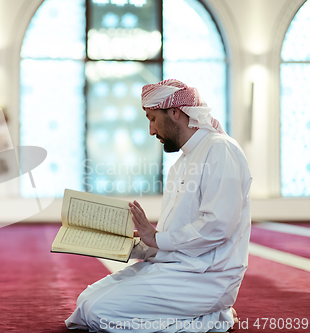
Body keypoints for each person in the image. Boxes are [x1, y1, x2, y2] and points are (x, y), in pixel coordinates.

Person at [65, 79, 252, 332]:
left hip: (206, 278)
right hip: (178, 269)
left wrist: (156, 238)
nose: (151, 131)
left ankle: (212, 318)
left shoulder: (220, 150)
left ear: (175, 112)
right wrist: (136, 246)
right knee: (85, 302)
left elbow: (217, 228)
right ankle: (207, 315)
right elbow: (171, 240)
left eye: (152, 119)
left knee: (99, 312)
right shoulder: (182, 164)